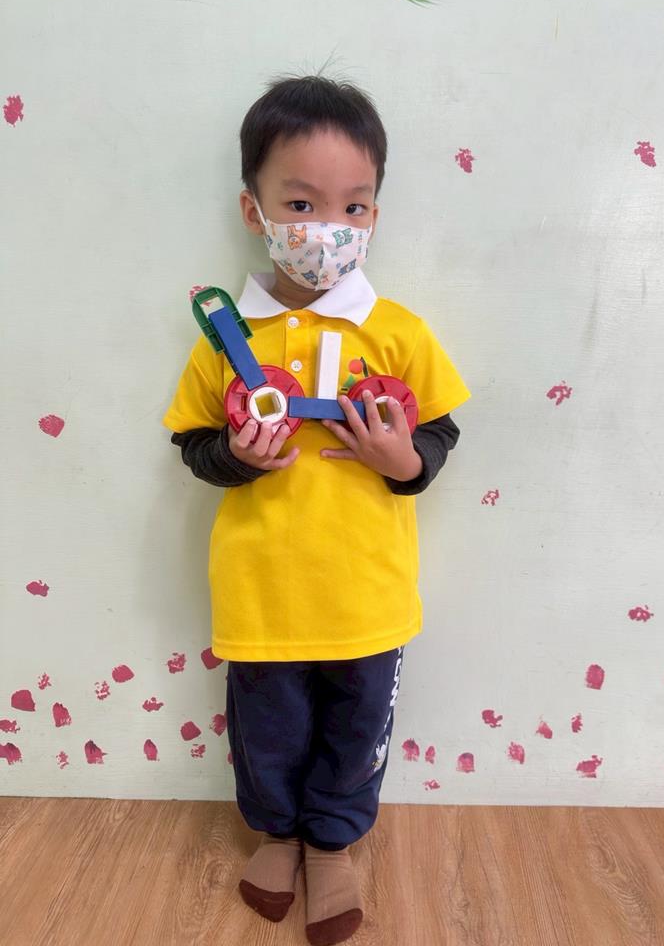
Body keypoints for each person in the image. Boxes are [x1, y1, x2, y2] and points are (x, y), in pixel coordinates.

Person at [162, 73, 471, 946]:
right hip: (261, 594)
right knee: (266, 730)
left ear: (374, 214)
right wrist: (236, 459)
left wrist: (401, 460)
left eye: (353, 207)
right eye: (300, 203)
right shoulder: (226, 338)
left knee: (355, 727)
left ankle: (333, 845)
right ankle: (277, 836)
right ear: (253, 210)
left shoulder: (398, 333)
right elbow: (191, 442)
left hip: (368, 596)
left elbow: (440, 433)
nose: (328, 229)